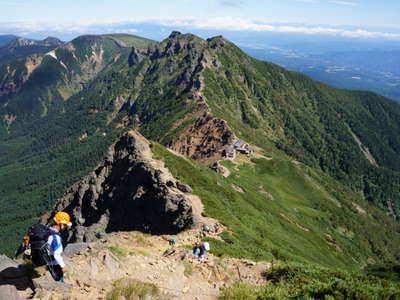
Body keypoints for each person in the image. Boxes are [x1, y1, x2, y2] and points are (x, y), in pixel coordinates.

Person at [46, 211, 72, 282]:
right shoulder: (56, 237)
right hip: (53, 265)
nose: (66, 227)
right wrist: (63, 266)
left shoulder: (47, 230)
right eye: (65, 225)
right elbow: (56, 254)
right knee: (59, 284)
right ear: (61, 224)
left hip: (45, 262)